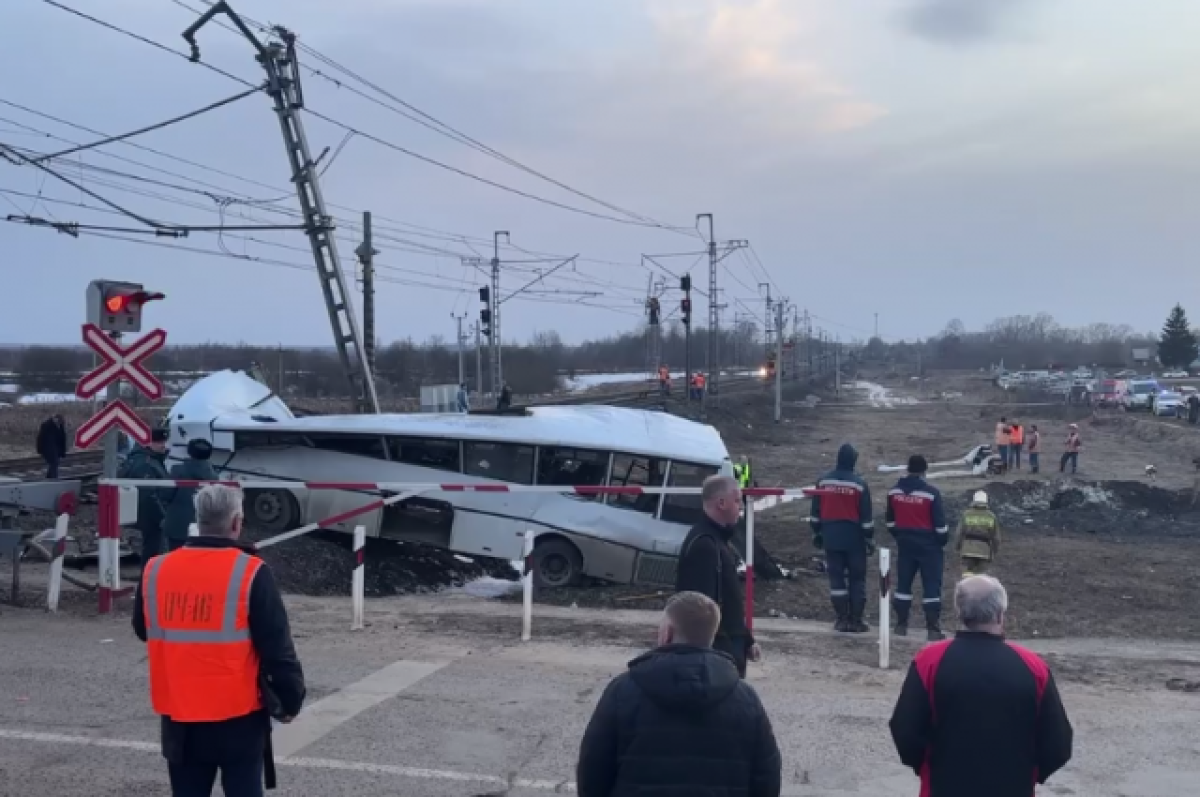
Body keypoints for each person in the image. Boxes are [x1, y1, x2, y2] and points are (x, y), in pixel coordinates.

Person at [133, 484, 306, 797]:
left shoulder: (155, 569)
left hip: (179, 716)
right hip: (237, 717)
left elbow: (143, 629)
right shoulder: (251, 572)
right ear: (237, 522)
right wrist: (290, 700)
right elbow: (277, 648)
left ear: (197, 520)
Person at [575, 591, 782, 797]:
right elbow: (766, 776)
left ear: (667, 633)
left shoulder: (622, 691)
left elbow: (593, 770)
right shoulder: (746, 699)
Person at [889, 576, 1073, 797]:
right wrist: (1028, 774)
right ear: (999, 614)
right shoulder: (1033, 667)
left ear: (960, 612)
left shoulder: (929, 660)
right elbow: (1058, 743)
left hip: (944, 786)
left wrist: (928, 766)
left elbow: (905, 728)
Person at [675, 475, 759, 678]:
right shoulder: (705, 546)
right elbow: (703, 613)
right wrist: (730, 659)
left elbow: (728, 600)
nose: (741, 507)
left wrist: (746, 640)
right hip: (717, 664)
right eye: (737, 500)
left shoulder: (716, 541)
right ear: (721, 503)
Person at [809, 443, 875, 633]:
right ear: (853, 461)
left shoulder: (823, 482)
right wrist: (869, 538)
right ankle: (856, 620)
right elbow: (866, 519)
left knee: (836, 579)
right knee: (857, 579)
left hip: (831, 537)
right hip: (854, 539)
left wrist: (818, 532)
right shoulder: (859, 484)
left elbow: (815, 513)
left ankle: (841, 619)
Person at [886, 455, 950, 641]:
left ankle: (901, 625)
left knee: (903, 585)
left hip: (905, 544)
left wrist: (900, 536)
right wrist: (941, 541)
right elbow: (940, 526)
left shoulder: (893, 492)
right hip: (929, 546)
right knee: (931, 586)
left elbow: (890, 521)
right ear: (924, 471)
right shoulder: (931, 493)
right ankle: (932, 629)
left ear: (908, 469)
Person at [120, 428, 172, 568]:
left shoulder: (148, 459)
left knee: (153, 553)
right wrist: (162, 517)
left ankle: (146, 585)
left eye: (163, 441)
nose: (163, 445)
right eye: (158, 442)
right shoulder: (146, 463)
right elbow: (149, 495)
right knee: (153, 555)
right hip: (152, 519)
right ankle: (147, 586)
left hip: (152, 518)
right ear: (147, 443)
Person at [163, 439, 218, 551]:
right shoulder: (214, 476)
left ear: (189, 452)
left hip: (177, 526)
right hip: (203, 527)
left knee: (175, 561)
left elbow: (165, 494)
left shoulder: (177, 470)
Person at [956, 491, 1000, 575]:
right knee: (981, 579)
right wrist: (994, 551)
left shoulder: (966, 514)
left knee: (967, 578)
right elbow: (996, 538)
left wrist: (958, 547)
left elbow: (959, 533)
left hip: (967, 550)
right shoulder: (991, 516)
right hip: (984, 551)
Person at [36, 413, 68, 479]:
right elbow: (40, 438)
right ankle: (54, 479)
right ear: (55, 419)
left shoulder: (60, 426)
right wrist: (40, 449)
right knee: (54, 463)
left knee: (54, 464)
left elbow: (62, 439)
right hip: (48, 449)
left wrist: (62, 451)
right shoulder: (46, 425)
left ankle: (49, 478)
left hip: (56, 449)